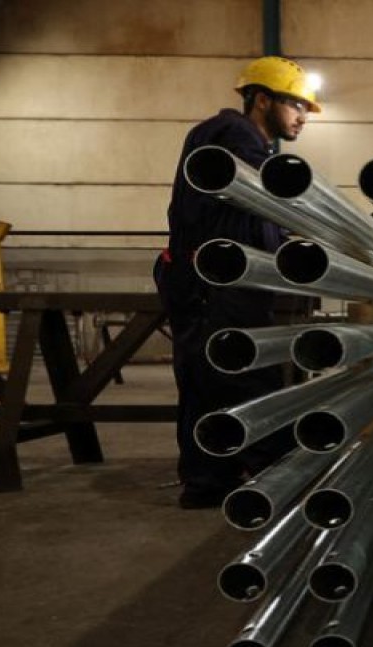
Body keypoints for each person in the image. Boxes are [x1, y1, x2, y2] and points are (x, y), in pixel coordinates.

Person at [155, 56, 320, 509]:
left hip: (229, 278)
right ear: (262, 99)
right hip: (211, 280)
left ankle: (222, 474)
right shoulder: (233, 135)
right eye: (295, 105)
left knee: (228, 375)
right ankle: (226, 477)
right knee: (223, 376)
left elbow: (256, 214)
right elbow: (268, 194)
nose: (302, 117)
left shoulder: (250, 149)